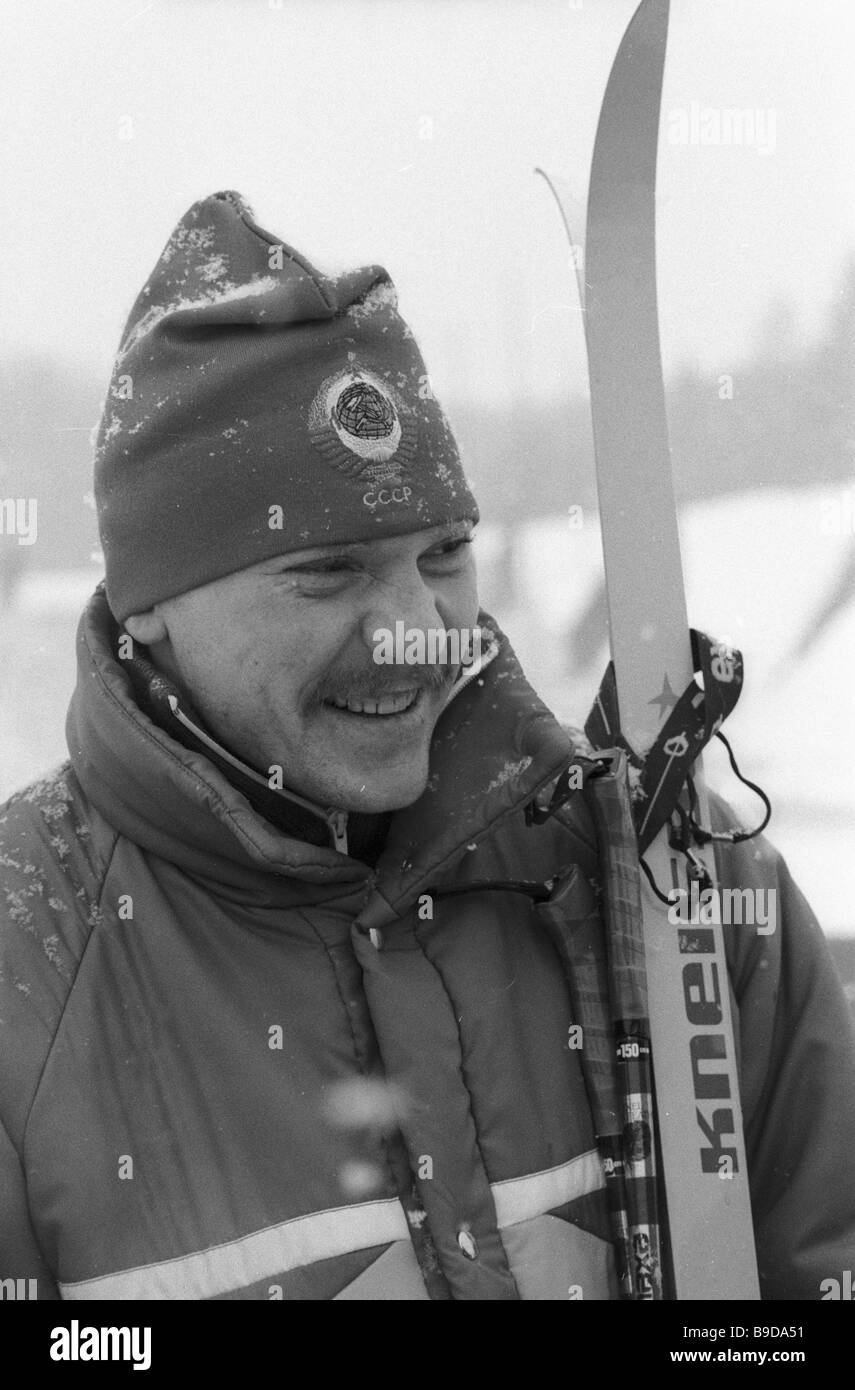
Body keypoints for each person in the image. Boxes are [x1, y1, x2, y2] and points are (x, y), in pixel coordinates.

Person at [1, 191, 853, 1301]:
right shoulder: (30, 960)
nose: (418, 629)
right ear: (148, 602)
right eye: (329, 571)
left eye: (445, 552)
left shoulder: (676, 881)